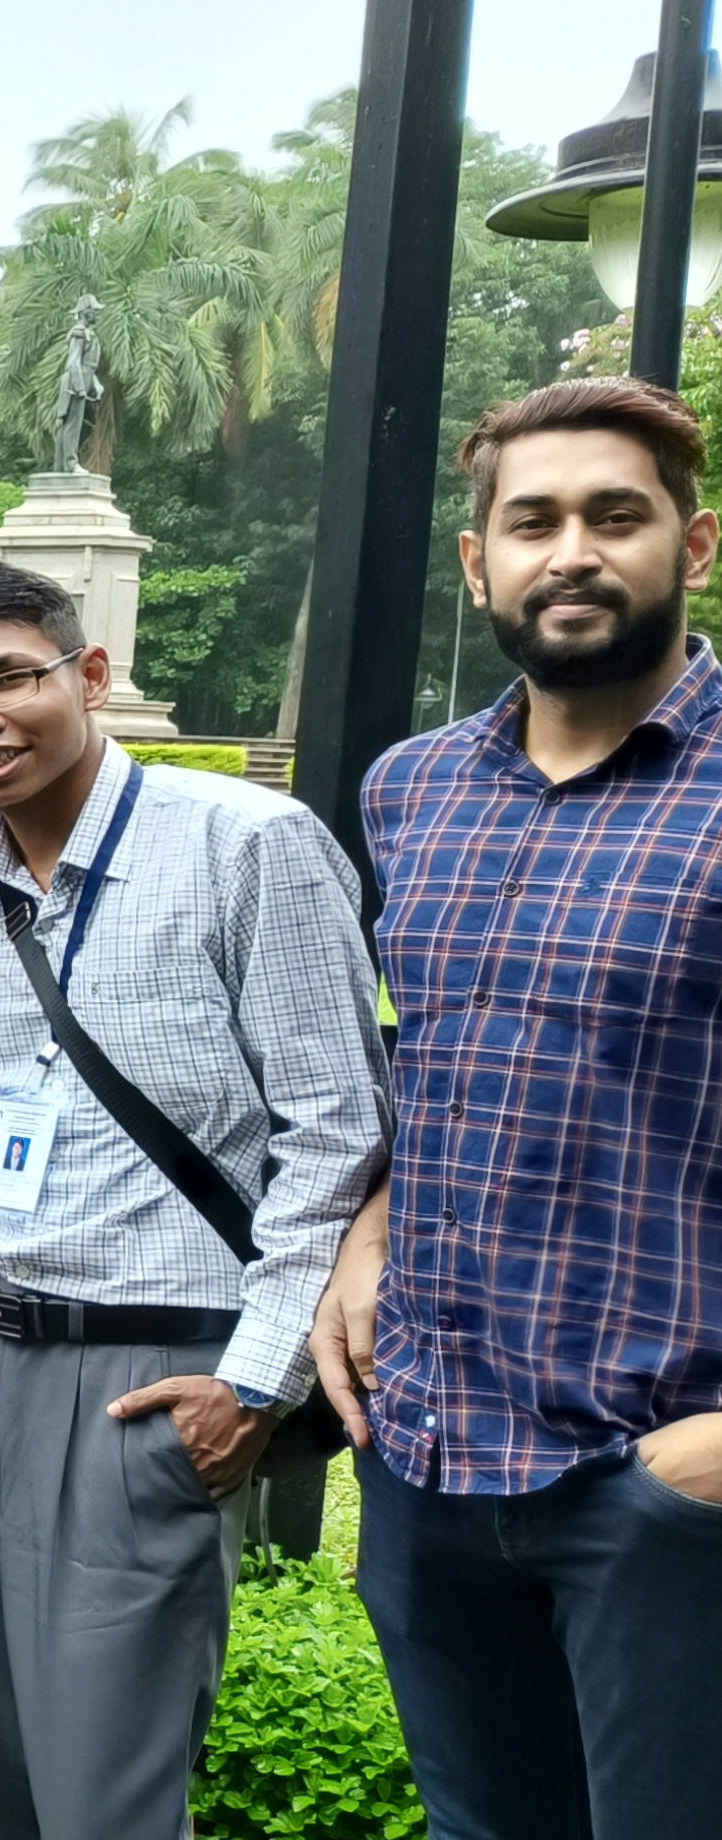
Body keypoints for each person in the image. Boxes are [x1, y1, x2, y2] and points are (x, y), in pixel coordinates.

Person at [0, 558, 383, 1840]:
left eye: (9, 677)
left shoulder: (246, 846)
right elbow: (15, 1111)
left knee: (99, 1792)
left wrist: (257, 1379)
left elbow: (336, 1129)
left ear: (88, 673)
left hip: (142, 1372)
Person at [331, 375, 722, 1837]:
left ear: (693, 546)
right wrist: (368, 1234)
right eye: (533, 520)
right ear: (477, 560)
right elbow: (437, 1061)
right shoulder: (417, 789)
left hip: (660, 1476)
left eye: (614, 517)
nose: (572, 551)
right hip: (433, 1456)